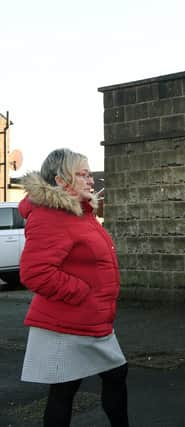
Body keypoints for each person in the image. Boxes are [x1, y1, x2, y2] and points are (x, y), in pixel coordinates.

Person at [19, 149, 129, 427]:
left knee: (114, 375)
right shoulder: (50, 216)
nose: (91, 180)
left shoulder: (80, 212)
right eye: (83, 174)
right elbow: (35, 273)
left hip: (92, 319)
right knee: (65, 391)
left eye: (90, 173)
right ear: (60, 180)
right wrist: (81, 293)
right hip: (65, 323)